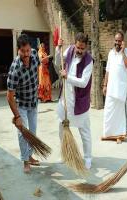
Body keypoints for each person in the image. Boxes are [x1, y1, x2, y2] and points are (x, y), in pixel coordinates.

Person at [55, 32, 93, 169]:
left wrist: (67, 77)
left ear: (86, 47)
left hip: (79, 101)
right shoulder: (70, 50)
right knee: (61, 126)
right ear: (74, 44)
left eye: (83, 48)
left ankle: (88, 157)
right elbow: (59, 62)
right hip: (65, 96)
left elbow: (83, 82)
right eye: (78, 47)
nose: (80, 51)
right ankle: (64, 153)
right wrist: (58, 49)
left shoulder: (89, 61)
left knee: (84, 131)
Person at [6, 34, 40, 173]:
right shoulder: (15, 70)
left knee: (32, 132)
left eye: (28, 50)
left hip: (33, 101)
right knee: (22, 133)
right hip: (21, 104)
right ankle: (25, 161)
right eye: (23, 51)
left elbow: (37, 68)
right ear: (18, 50)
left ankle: (30, 155)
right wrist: (17, 116)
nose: (26, 54)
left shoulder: (34, 55)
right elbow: (9, 96)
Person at [102, 31, 127, 143]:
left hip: (121, 89)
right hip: (111, 88)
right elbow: (108, 71)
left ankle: (120, 135)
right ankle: (108, 134)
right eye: (116, 40)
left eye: (119, 41)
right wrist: (105, 85)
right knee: (108, 111)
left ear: (123, 41)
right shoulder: (111, 53)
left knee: (120, 114)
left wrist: (123, 52)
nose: (117, 43)